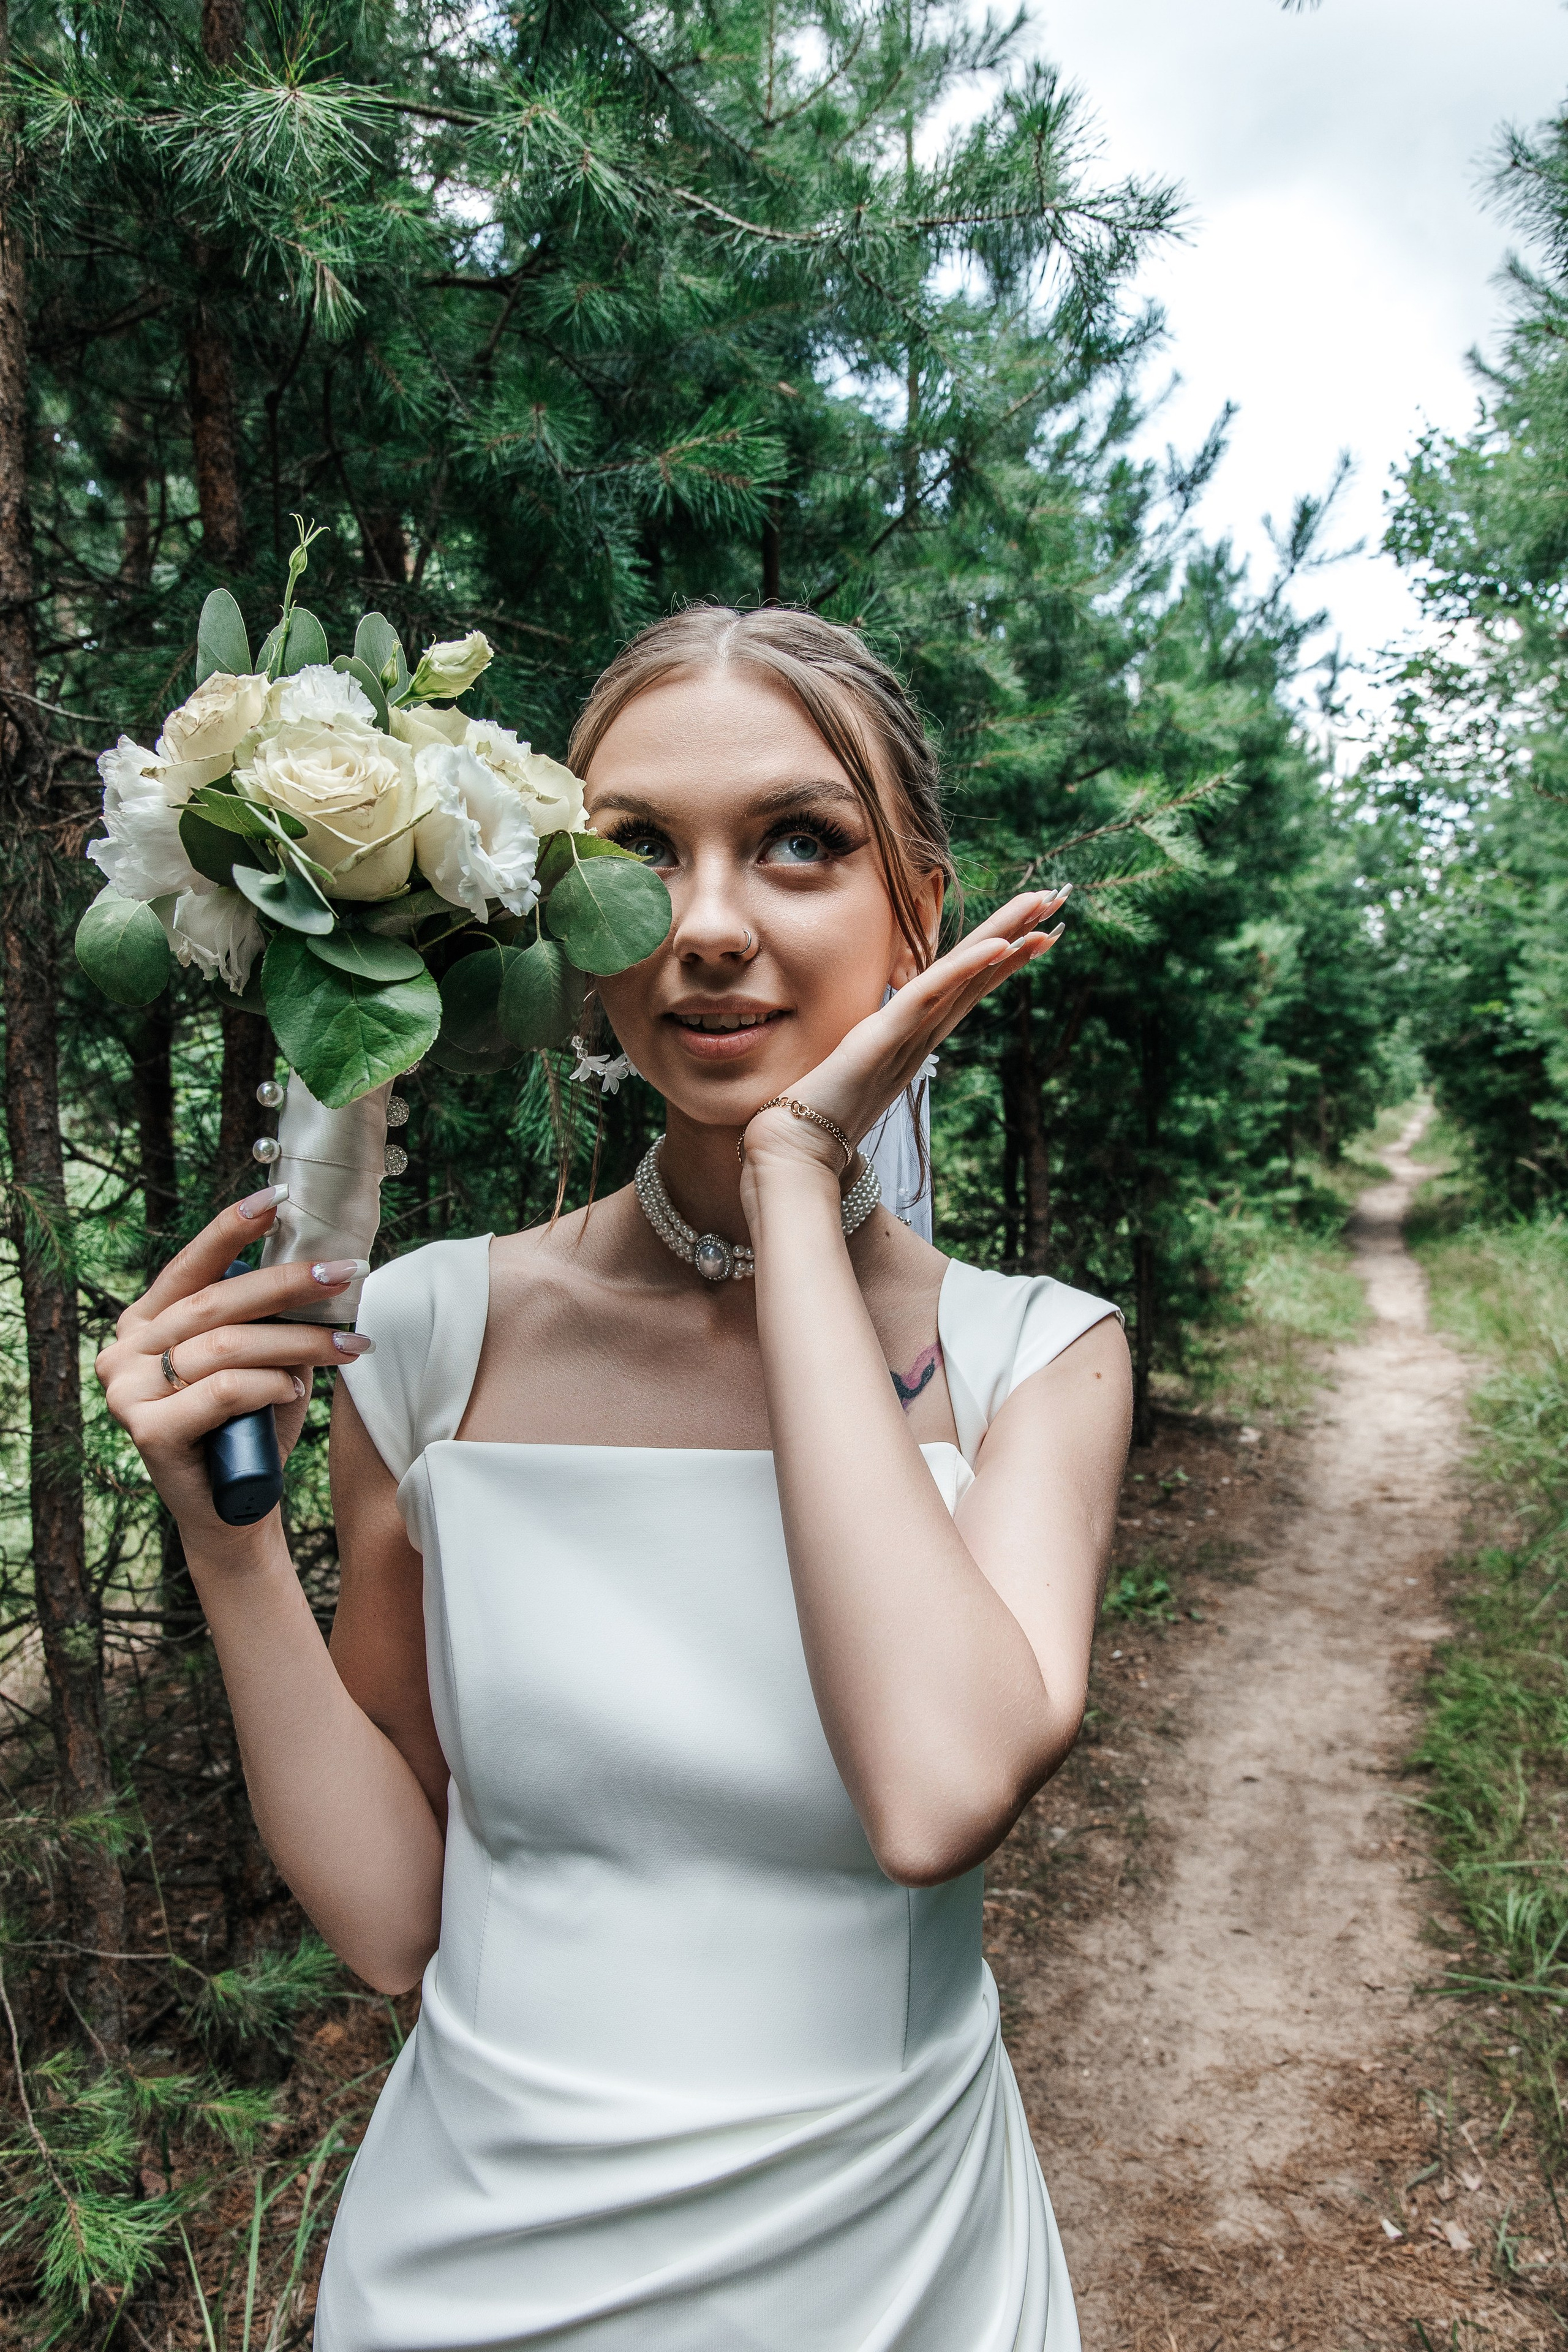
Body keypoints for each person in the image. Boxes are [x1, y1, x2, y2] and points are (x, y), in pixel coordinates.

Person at [97, 606, 1132, 2351]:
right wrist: (229, 1554)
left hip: (891, 2278)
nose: (710, 925)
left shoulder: (1041, 1359)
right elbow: (393, 1925)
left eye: (800, 844)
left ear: (920, 915)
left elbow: (935, 1795)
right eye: (640, 850)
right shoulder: (431, 1341)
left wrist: (801, 1182)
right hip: (470, 2277)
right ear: (573, 926)